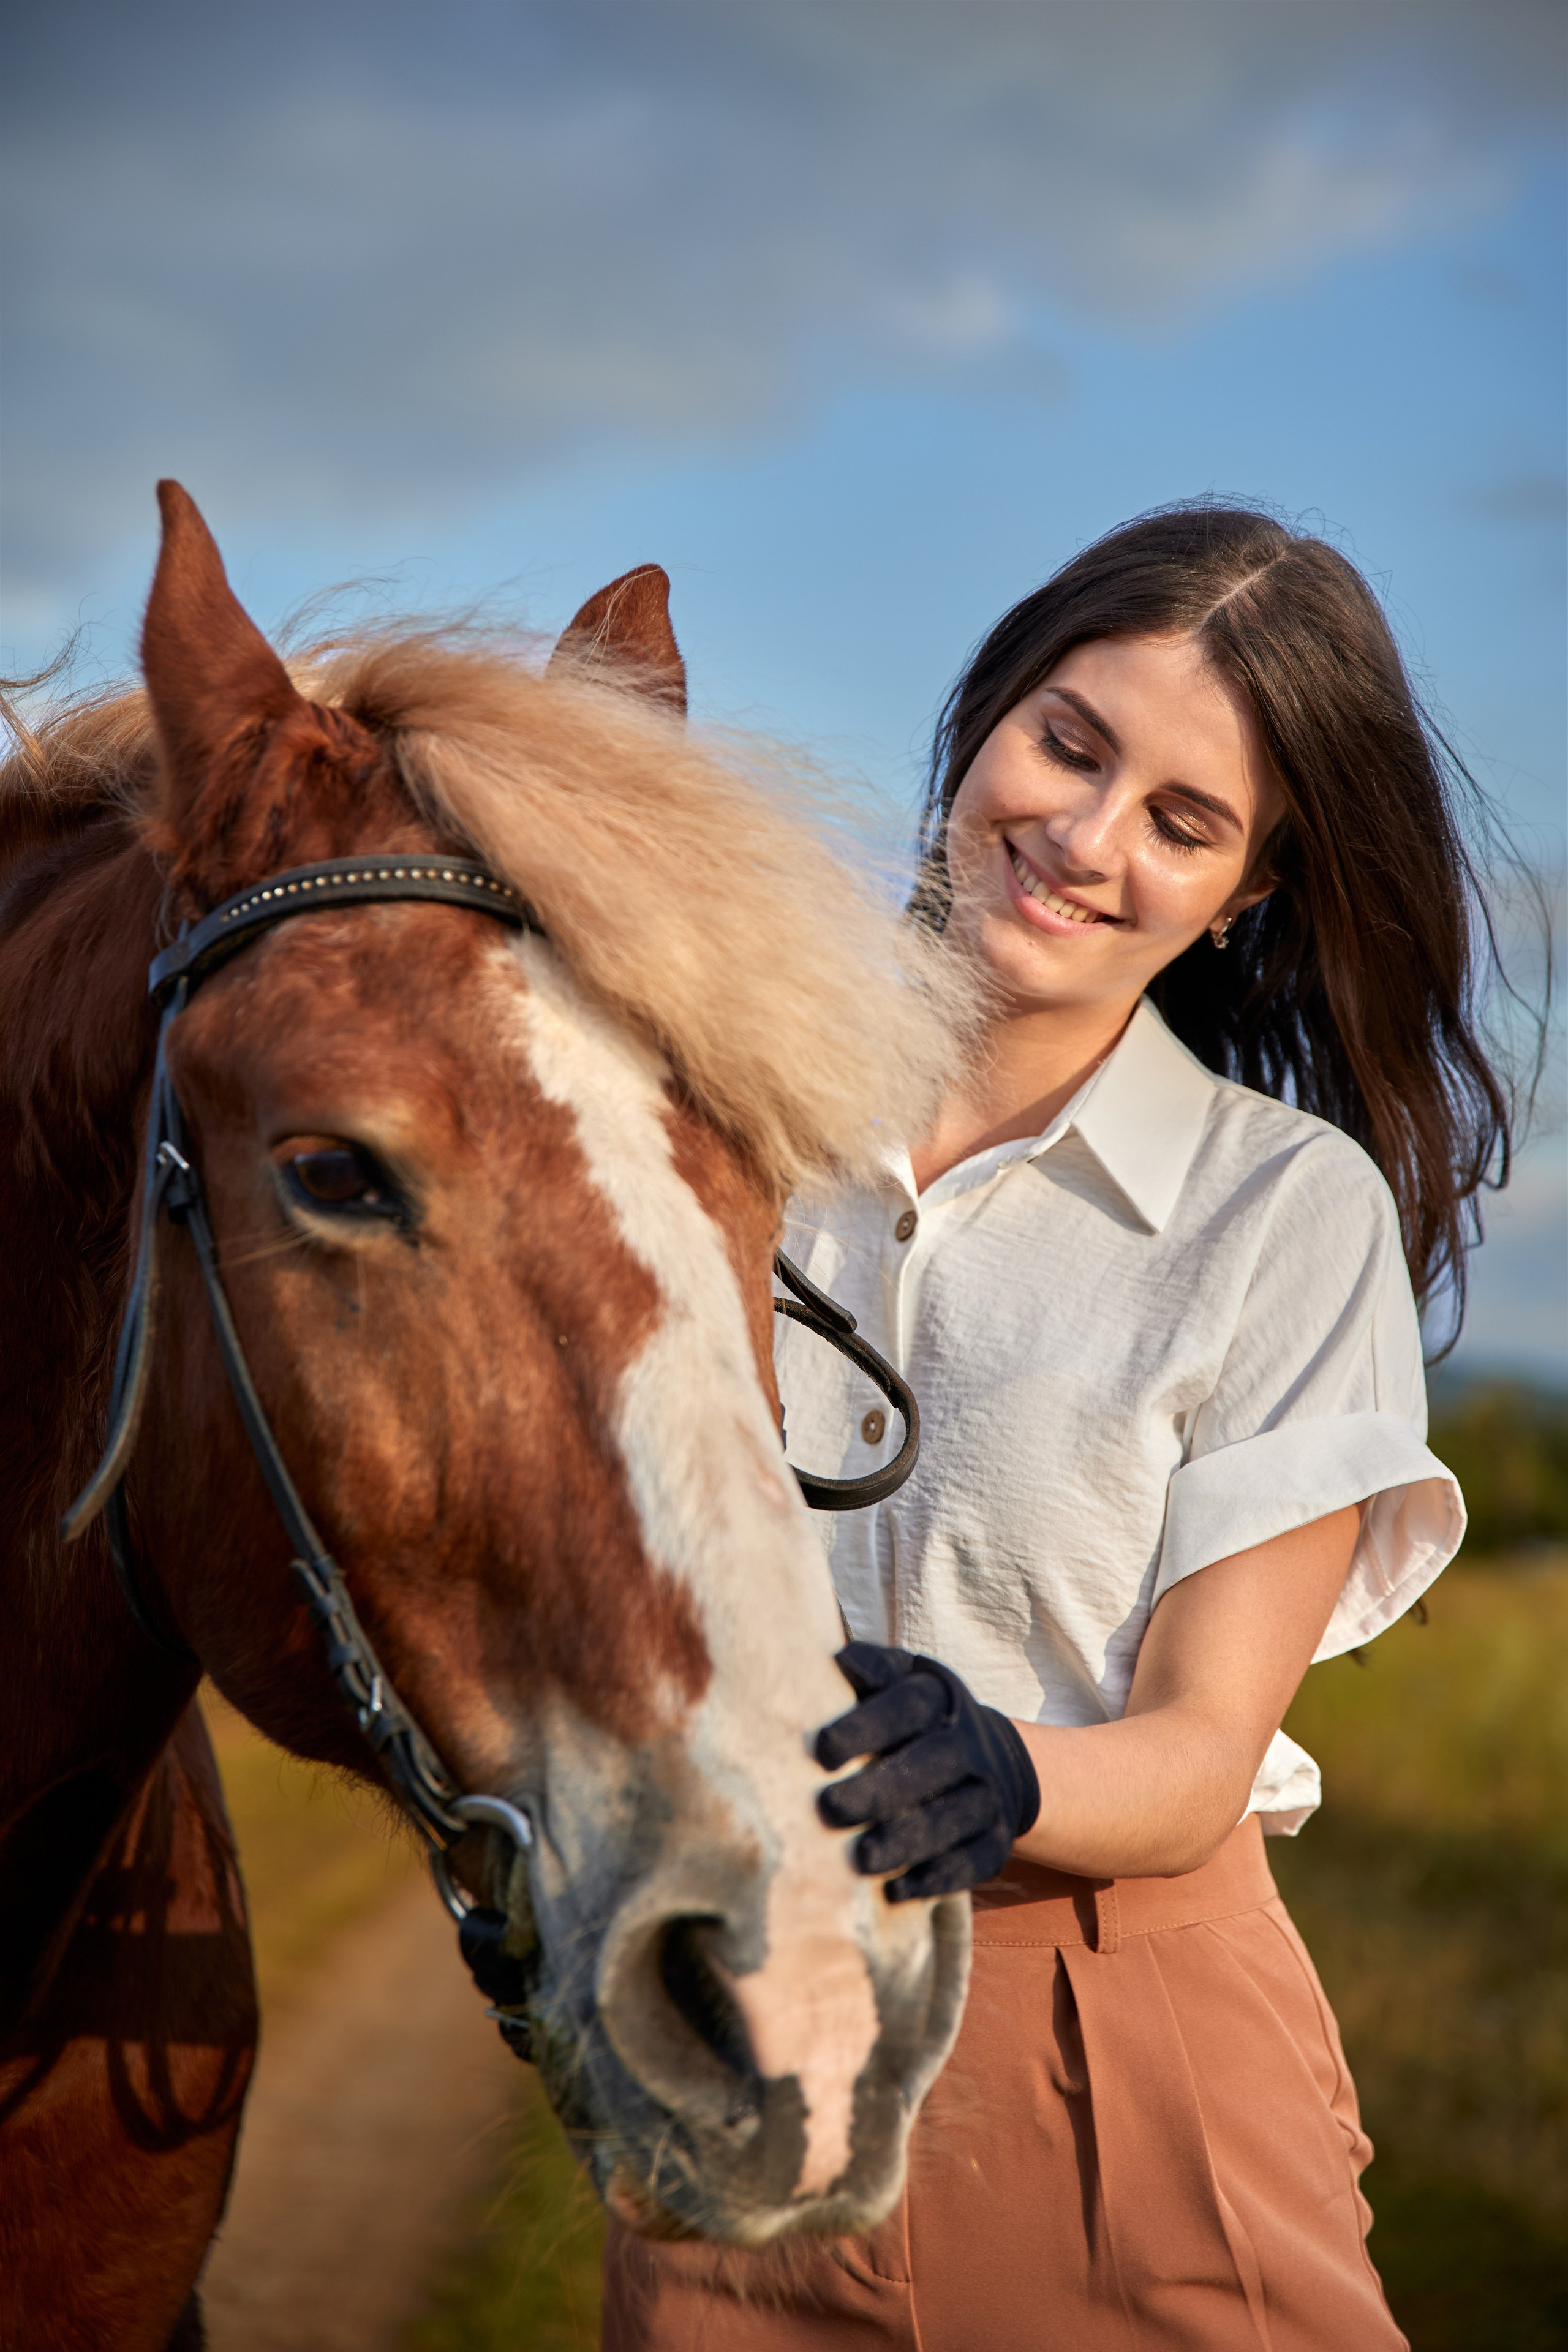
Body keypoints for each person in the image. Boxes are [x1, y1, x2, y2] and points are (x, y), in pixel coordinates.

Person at [603, 502, 1527, 2350]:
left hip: (1127, 2057)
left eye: (1184, 823)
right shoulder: (704, 1113)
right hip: (742, 2044)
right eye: (1069, 743)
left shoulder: (1283, 1212)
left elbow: (1197, 1756)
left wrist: (1002, 1767)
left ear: (1245, 892)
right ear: (986, 715)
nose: (1086, 842)